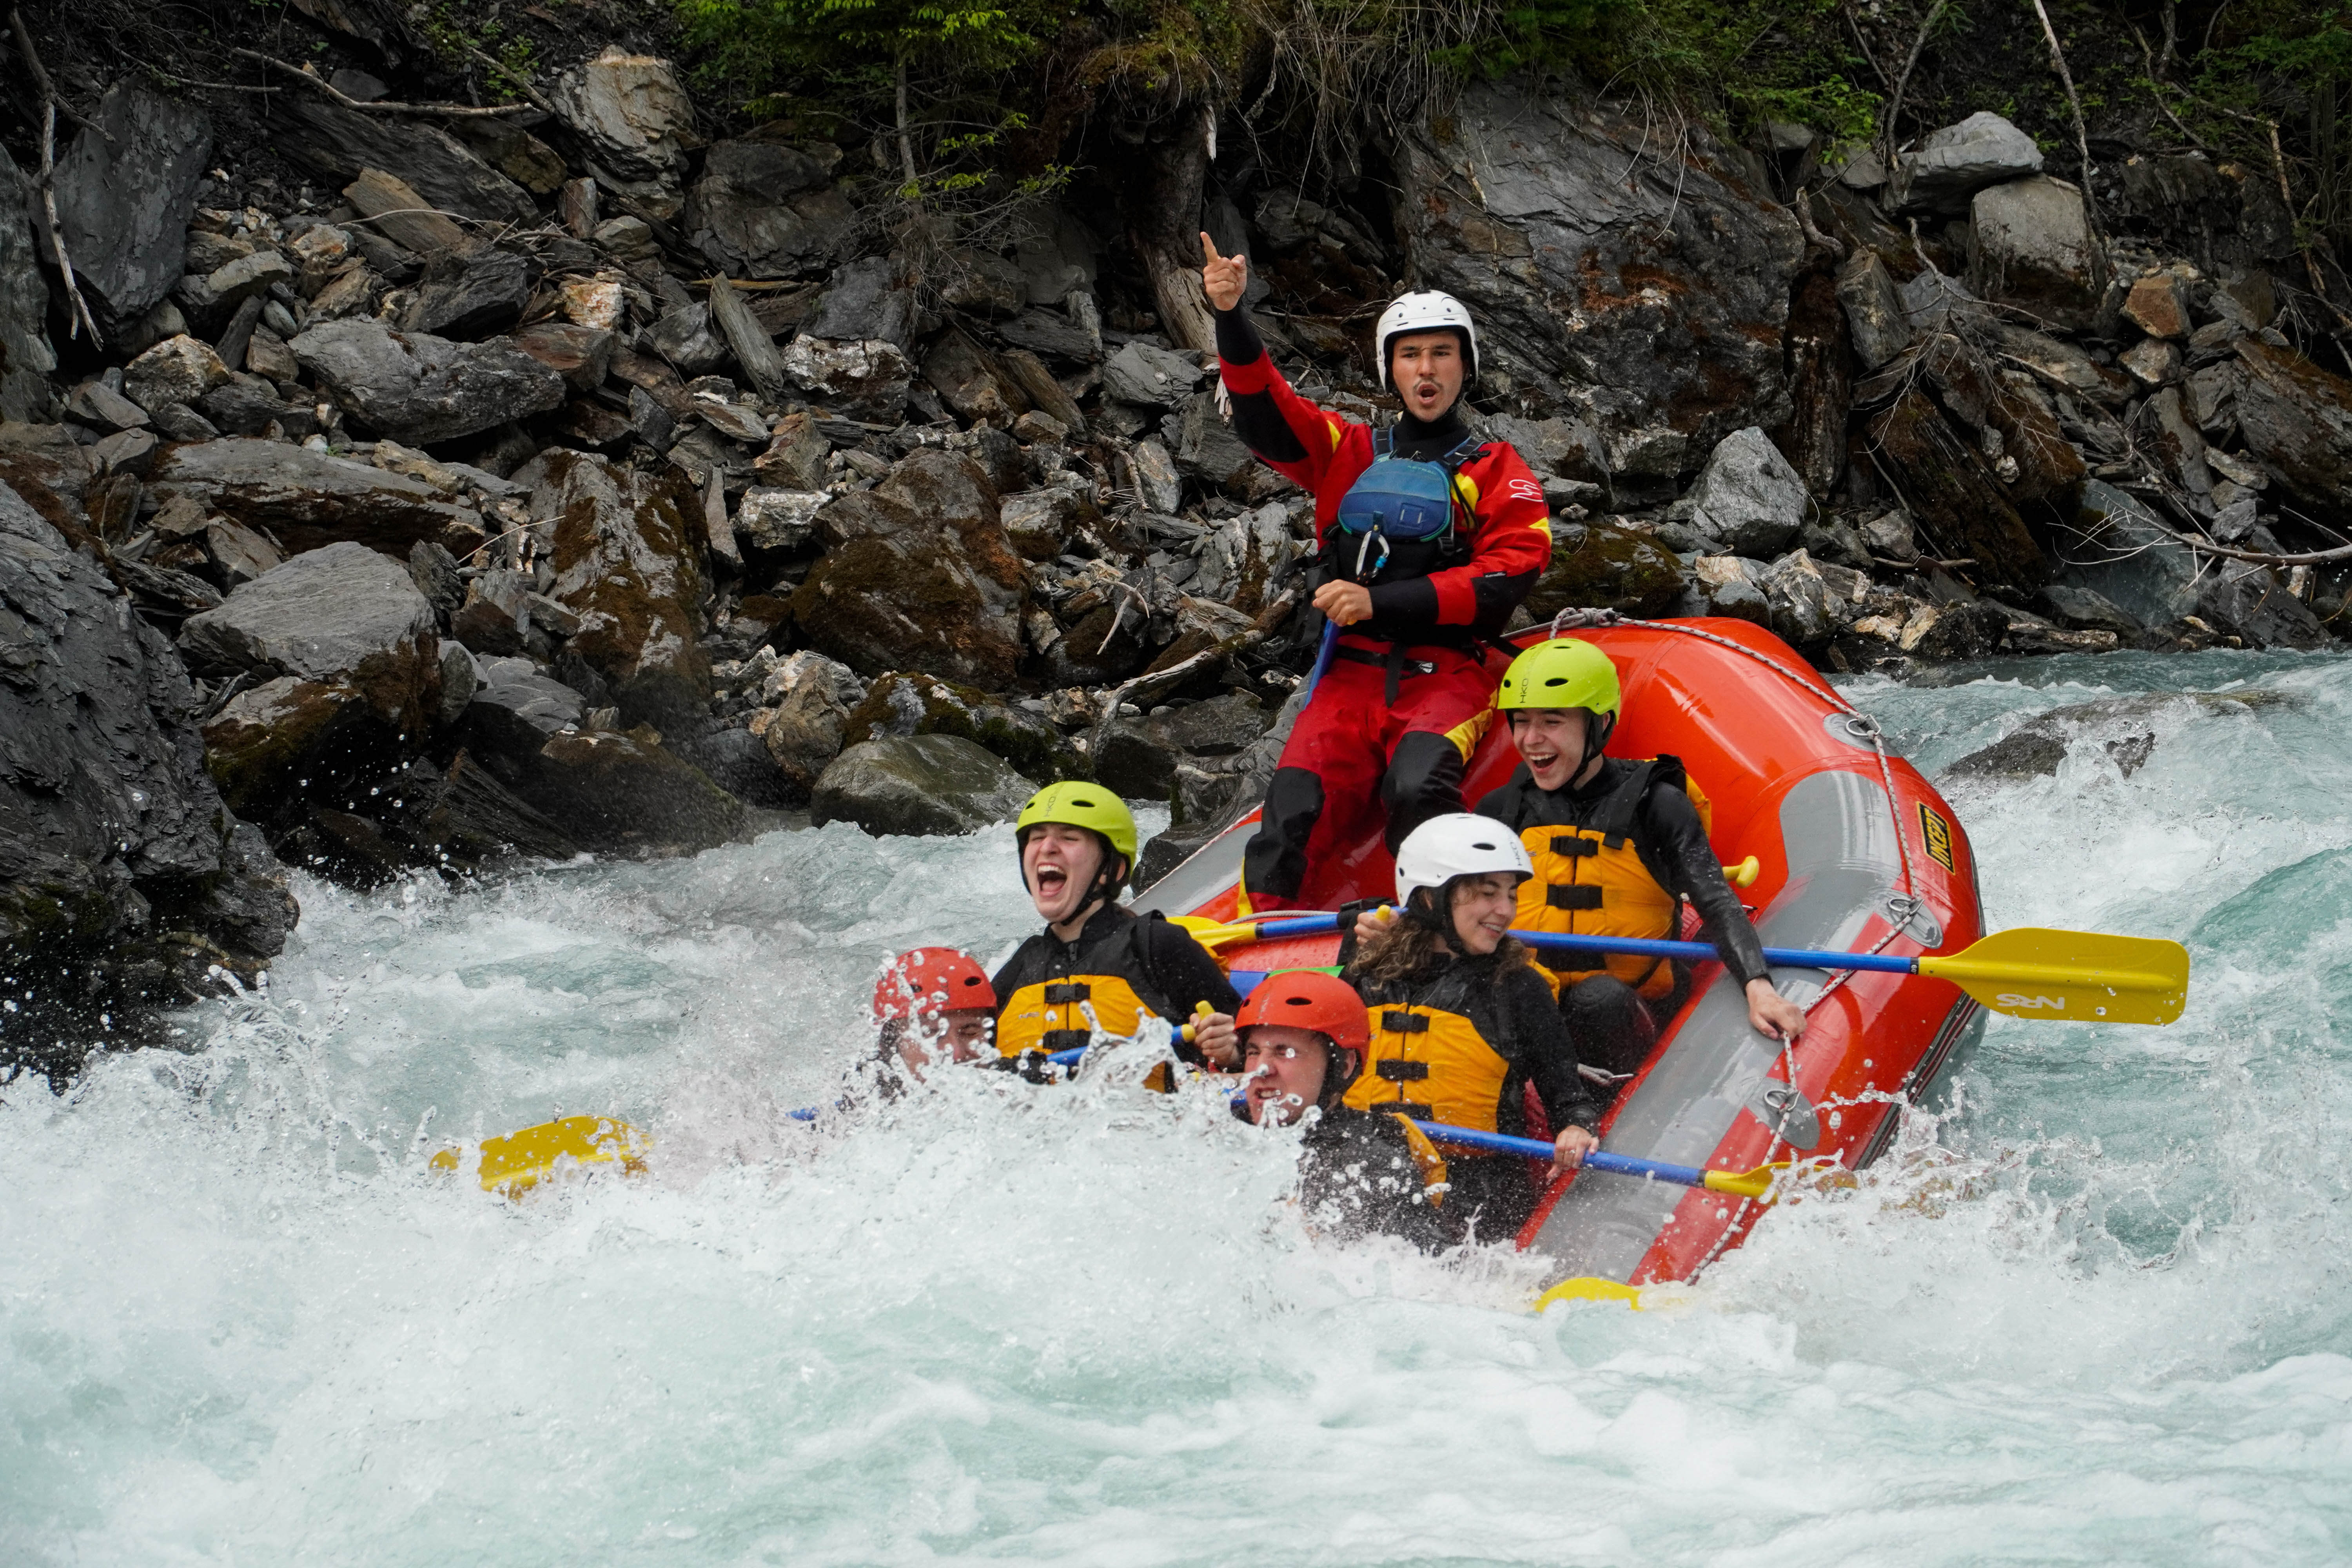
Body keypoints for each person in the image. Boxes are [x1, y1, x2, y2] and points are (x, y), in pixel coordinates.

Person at [1200, 235, 1553, 910]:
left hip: (1447, 675)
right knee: (1292, 813)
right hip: (1348, 677)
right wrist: (1230, 316)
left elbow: (1511, 574)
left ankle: (1431, 931)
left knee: (1418, 788)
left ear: (1464, 366)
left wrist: (1380, 602)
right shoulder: (1351, 447)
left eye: (1442, 354)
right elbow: (1268, 417)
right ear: (1392, 368)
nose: (1427, 370)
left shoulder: (1497, 468)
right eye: (1411, 354)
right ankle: (1258, 953)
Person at [1477, 638, 1807, 1077]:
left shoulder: (1658, 805)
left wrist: (1758, 985)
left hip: (1631, 1006)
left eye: (1552, 722)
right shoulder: (1500, 810)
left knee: (1597, 998)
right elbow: (1458, 916)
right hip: (1538, 1001)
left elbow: (1715, 899)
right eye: (1520, 722)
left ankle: (1607, 1107)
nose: (1531, 740)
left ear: (1601, 723)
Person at [1341, 813, 1602, 1240]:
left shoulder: (1520, 986)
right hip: (1371, 1172)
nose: (1506, 910)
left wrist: (1577, 1128)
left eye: (1512, 895)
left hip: (1479, 1194)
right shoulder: (1367, 974)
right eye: (1487, 893)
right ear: (1430, 899)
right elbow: (1315, 1078)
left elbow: (1570, 1101)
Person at [992, 782, 1241, 1070]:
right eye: (1036, 838)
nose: (1047, 848)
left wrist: (1230, 1054)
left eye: (1069, 838)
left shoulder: (1158, 946)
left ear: (1114, 870)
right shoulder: (1021, 967)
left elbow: (1252, 1057)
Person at [1232, 969, 1450, 1250]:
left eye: (1285, 1052)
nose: (1262, 1069)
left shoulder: (1376, 1169)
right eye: (1253, 1052)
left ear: (1343, 1065)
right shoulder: (1220, 1133)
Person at [871, 946, 997, 1082]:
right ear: (892, 1047)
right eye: (931, 1035)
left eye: (970, 1033)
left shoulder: (1015, 1083)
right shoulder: (862, 1097)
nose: (956, 1055)